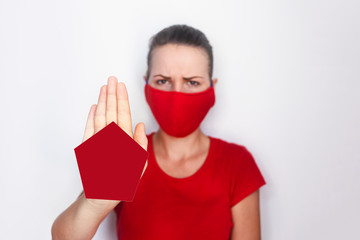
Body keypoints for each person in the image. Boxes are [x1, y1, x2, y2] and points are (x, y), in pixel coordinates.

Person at [51, 24, 266, 240]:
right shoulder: (124, 155)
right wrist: (94, 204)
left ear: (212, 86)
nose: (177, 93)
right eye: (163, 81)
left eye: (192, 82)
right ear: (146, 83)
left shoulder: (237, 163)